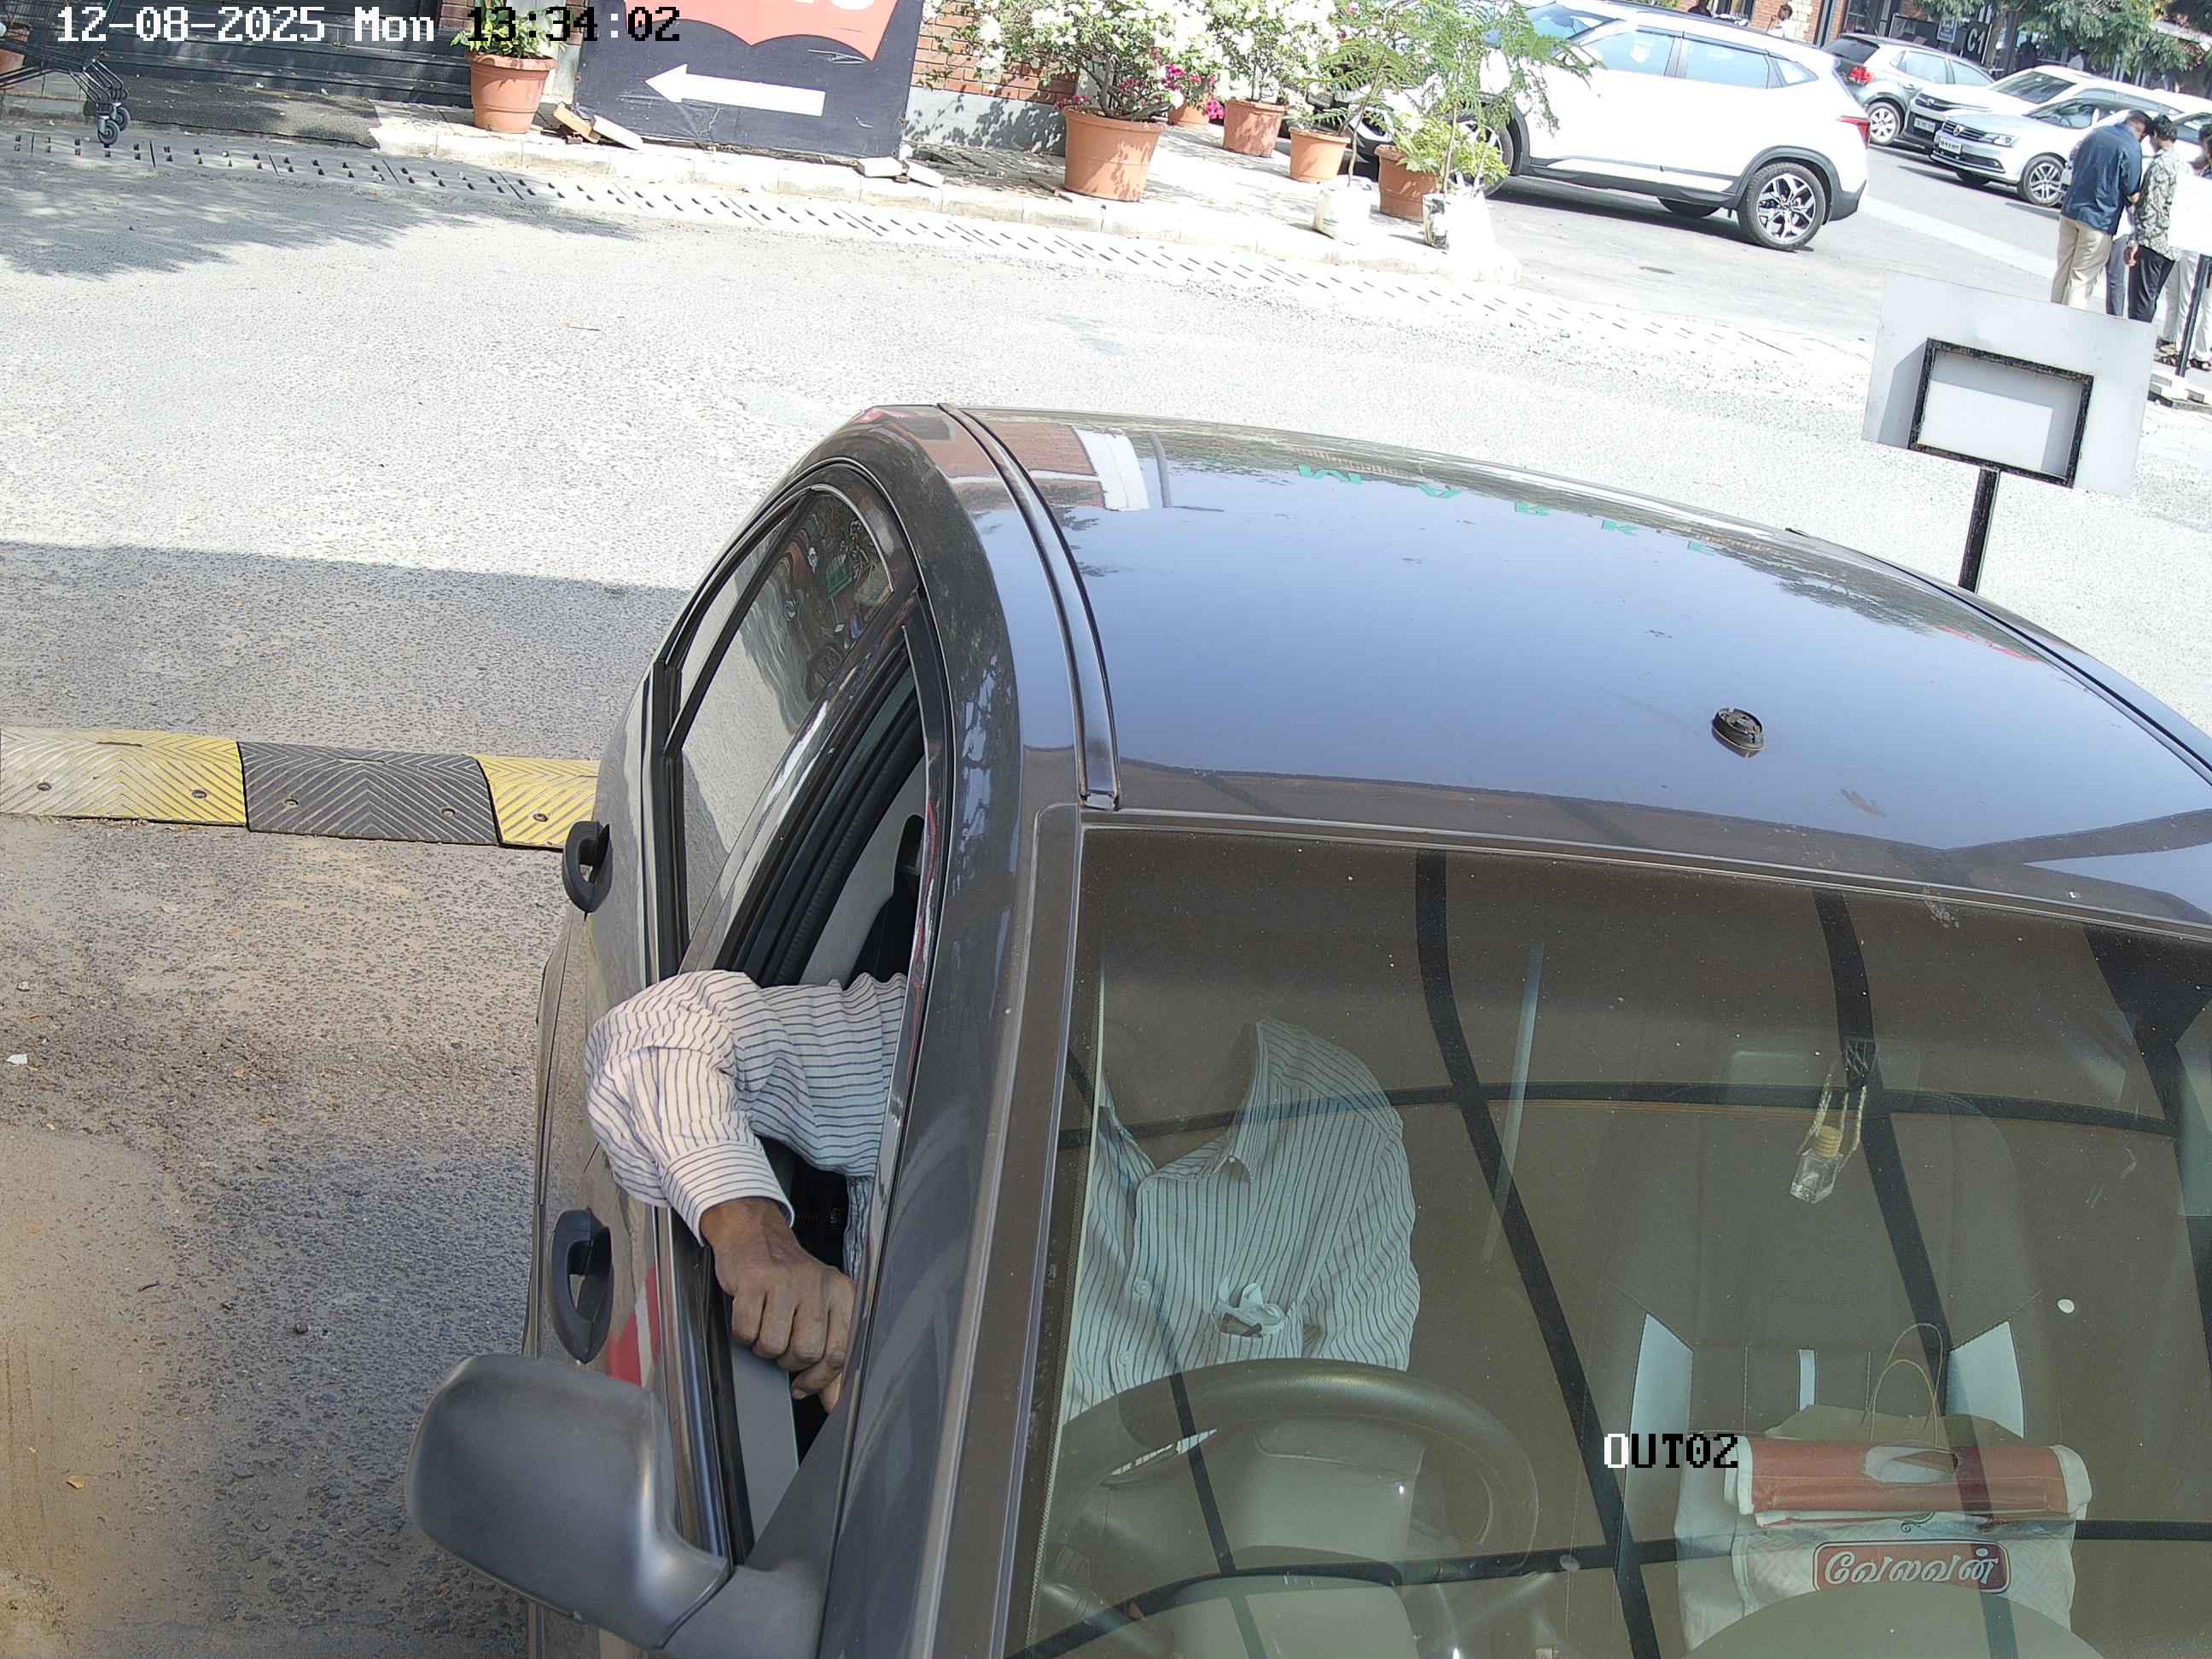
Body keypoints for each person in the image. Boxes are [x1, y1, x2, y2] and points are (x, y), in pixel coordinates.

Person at [584, 965, 1420, 1414]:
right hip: (952, 1572)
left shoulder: (1345, 1127)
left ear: (1267, 979)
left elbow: (1357, 1429)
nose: (1114, 967)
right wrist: (763, 1242)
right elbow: (658, 1034)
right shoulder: (962, 1043)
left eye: (1176, 944)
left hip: (1200, 1592)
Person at [2053, 110, 2149, 310]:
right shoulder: (2131, 147)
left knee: (2063, 269)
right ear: (2142, 132)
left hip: (2071, 209)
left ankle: (2052, 313)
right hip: (2100, 218)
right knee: (2082, 278)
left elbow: (2075, 163)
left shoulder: (2096, 134)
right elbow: (2132, 191)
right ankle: (2068, 322)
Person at [2159, 128, 2212, 370]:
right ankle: (2193, 349)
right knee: (2192, 298)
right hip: (2195, 240)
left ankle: (2182, 348)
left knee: (2188, 298)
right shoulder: (2204, 169)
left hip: (2198, 242)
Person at [2128, 116, 2186, 327]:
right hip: (2172, 244)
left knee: (2141, 300)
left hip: (2152, 242)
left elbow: (2149, 207)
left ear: (2154, 135)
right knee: (2152, 297)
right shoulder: (2183, 165)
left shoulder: (2160, 164)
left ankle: (2136, 339)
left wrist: (2134, 241)